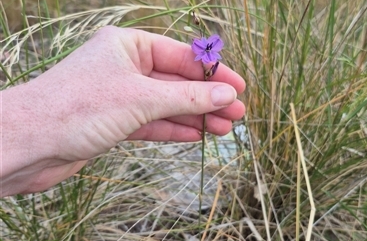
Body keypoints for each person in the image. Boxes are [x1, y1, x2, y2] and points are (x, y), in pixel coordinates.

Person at [1, 26, 246, 197]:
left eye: (209, 51)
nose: (206, 52)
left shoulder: (208, 54)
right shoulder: (202, 53)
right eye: (204, 50)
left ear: (212, 50)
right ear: (203, 48)